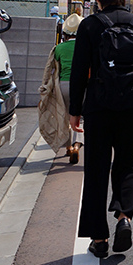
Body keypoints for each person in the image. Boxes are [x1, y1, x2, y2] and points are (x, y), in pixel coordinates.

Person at [68, 0, 133, 259]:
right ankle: (124, 218)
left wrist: (75, 111)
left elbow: (79, 71)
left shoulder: (90, 26)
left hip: (98, 106)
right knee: (126, 163)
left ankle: (99, 238)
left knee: (96, 169)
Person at [37, 13, 84, 164]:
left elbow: (48, 69)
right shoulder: (86, 46)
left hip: (63, 85)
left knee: (64, 117)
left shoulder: (59, 48)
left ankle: (68, 147)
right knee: (79, 118)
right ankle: (77, 146)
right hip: (83, 86)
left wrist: (44, 86)